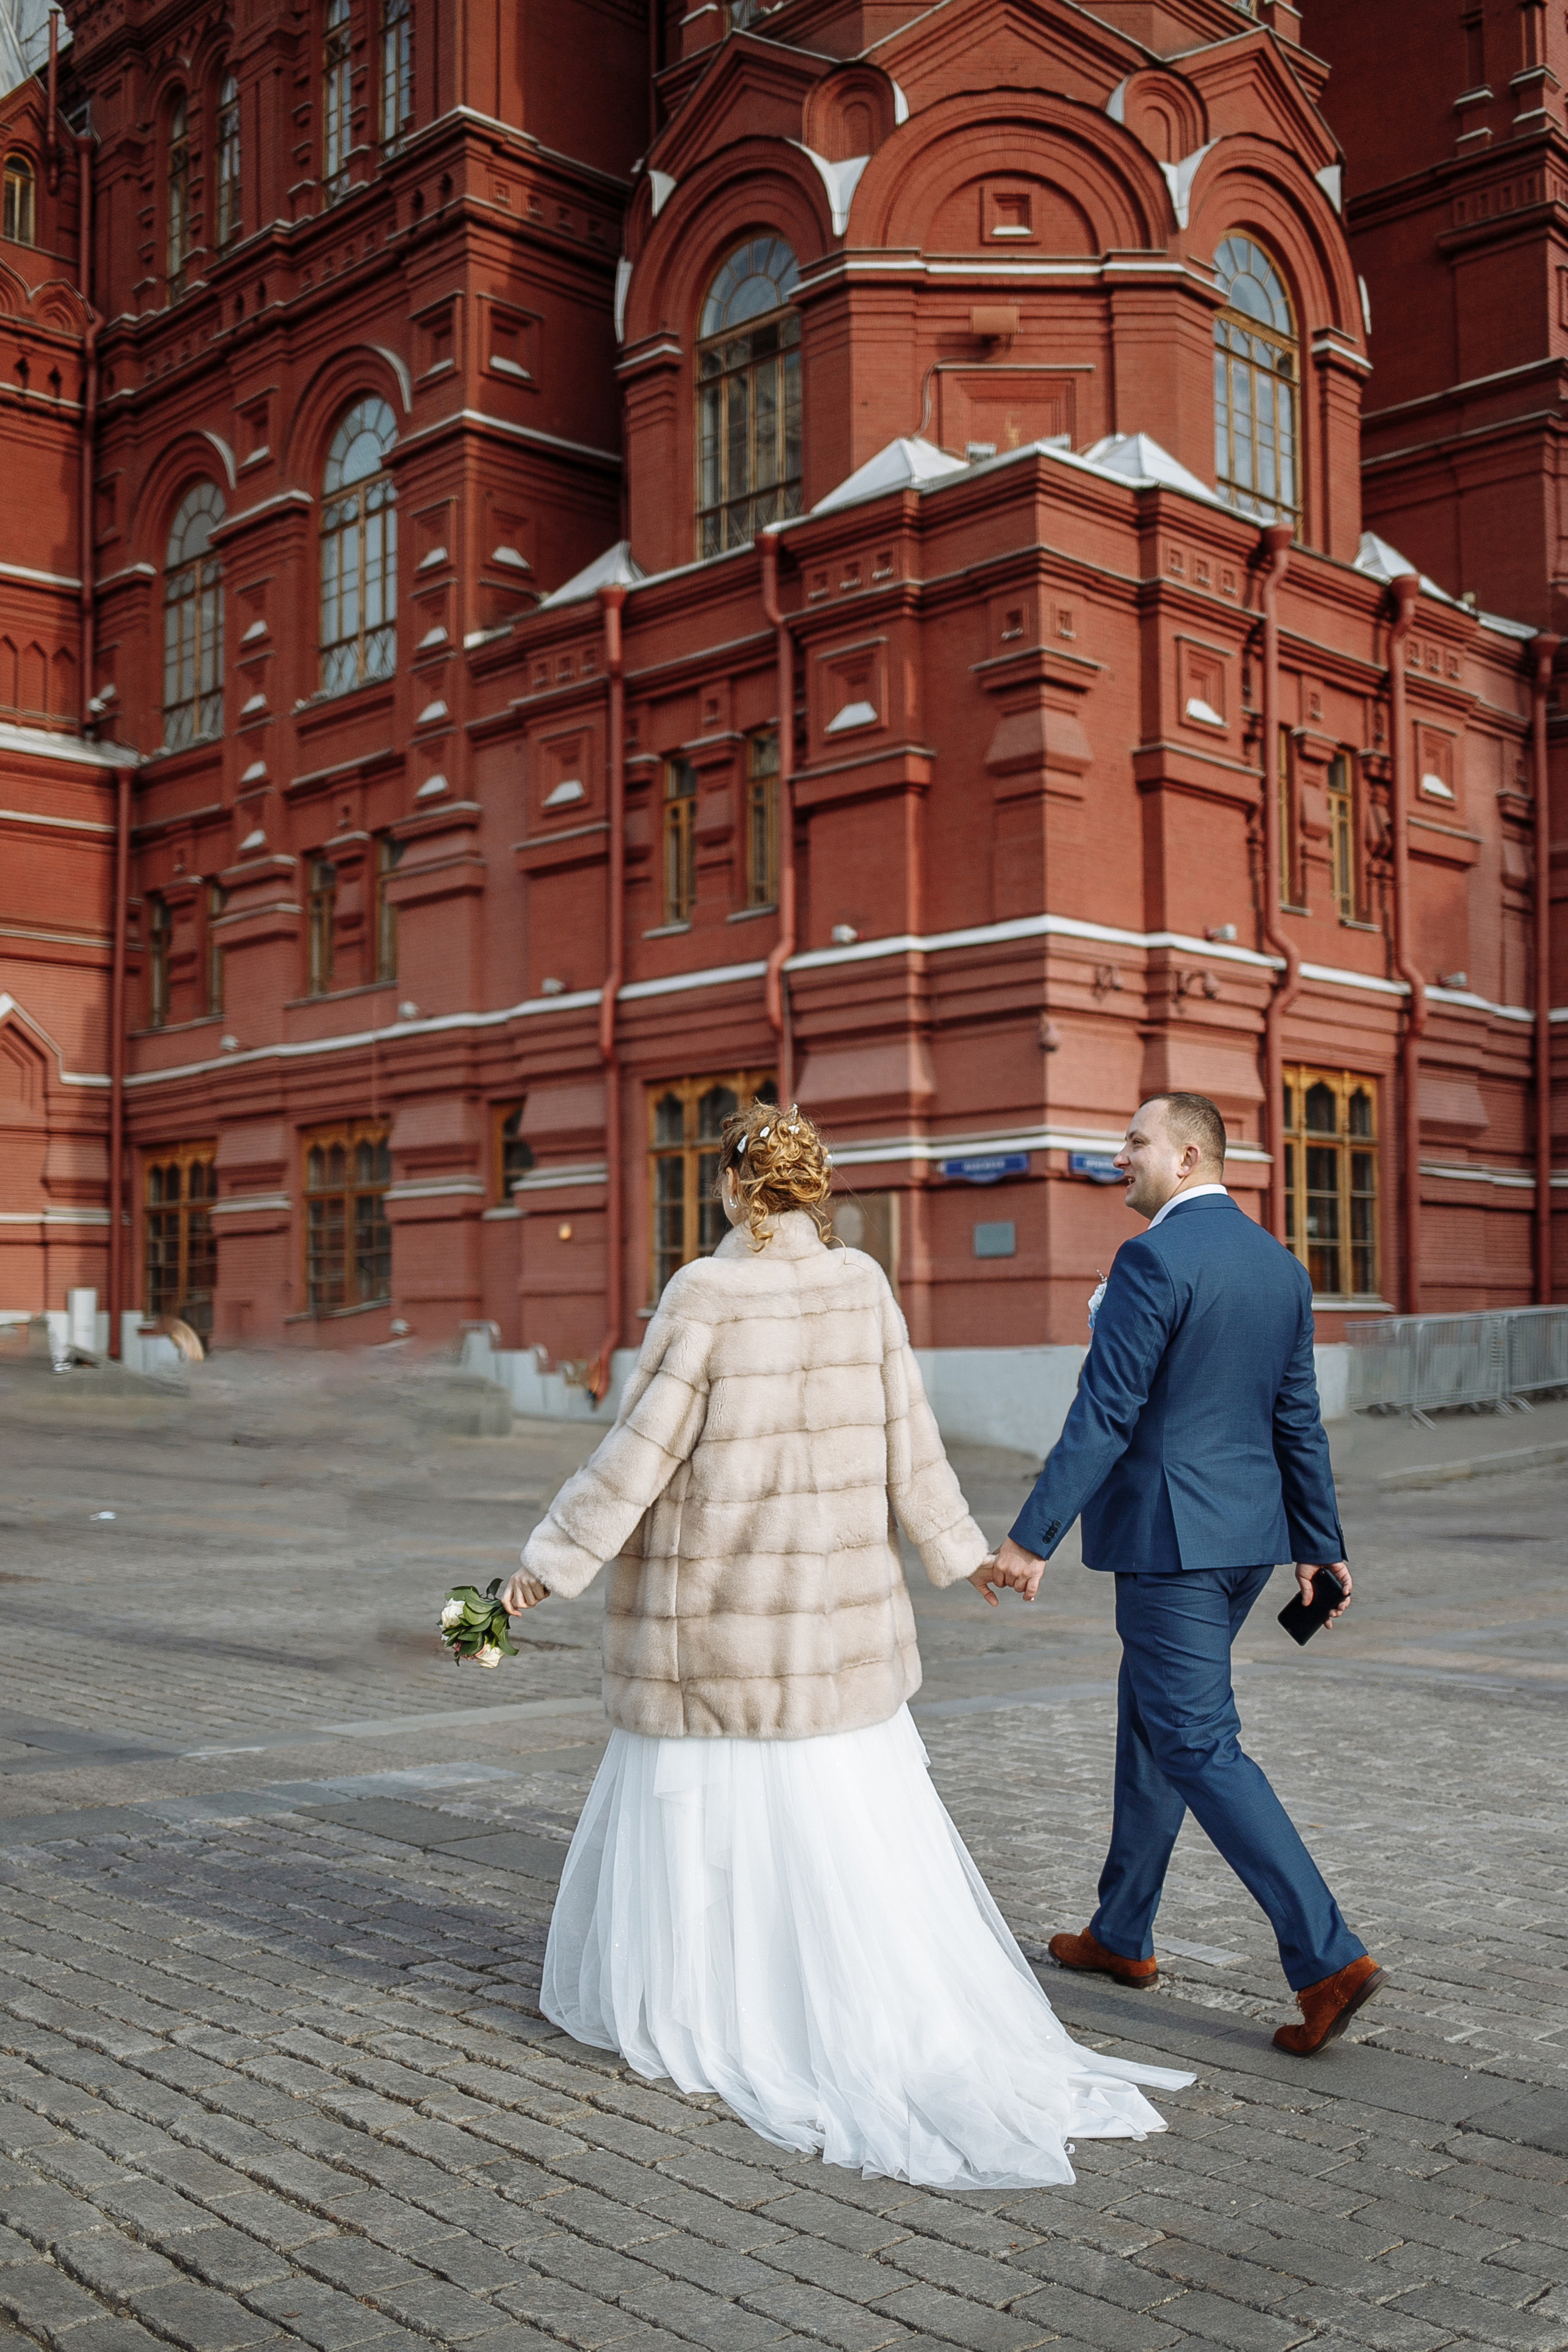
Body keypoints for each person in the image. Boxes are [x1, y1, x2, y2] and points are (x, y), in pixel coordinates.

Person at [502, 1098, 1191, 2188]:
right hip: (832, 1624)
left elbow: (637, 1453)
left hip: (722, 1617)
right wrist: (963, 1551)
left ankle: (714, 2002)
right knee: (839, 1828)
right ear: (816, 1190)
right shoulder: (861, 1284)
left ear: (734, 1189)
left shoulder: (706, 1292)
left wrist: (546, 1564)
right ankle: (835, 1998)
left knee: (708, 1821)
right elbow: (910, 1439)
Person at [989, 1091, 1384, 2058]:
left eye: (1135, 1142)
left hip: (1173, 1546)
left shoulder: (1153, 1258)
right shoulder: (1283, 1269)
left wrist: (1032, 1536)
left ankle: (1327, 1958)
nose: (1119, 1155)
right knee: (1153, 1722)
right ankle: (1121, 1934)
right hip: (1246, 1543)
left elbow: (1107, 1413)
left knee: (1199, 1742)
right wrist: (1319, 1545)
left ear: (1191, 1155)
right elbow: (1297, 1419)